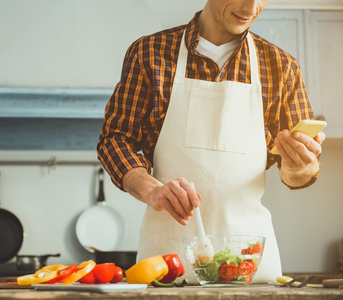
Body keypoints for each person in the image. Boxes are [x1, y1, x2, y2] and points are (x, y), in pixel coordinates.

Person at [97, 0, 325, 284]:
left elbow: (300, 173)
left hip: (250, 267)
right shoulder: (149, 53)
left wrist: (299, 165)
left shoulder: (281, 66)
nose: (252, 7)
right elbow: (116, 138)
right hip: (166, 265)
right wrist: (150, 188)